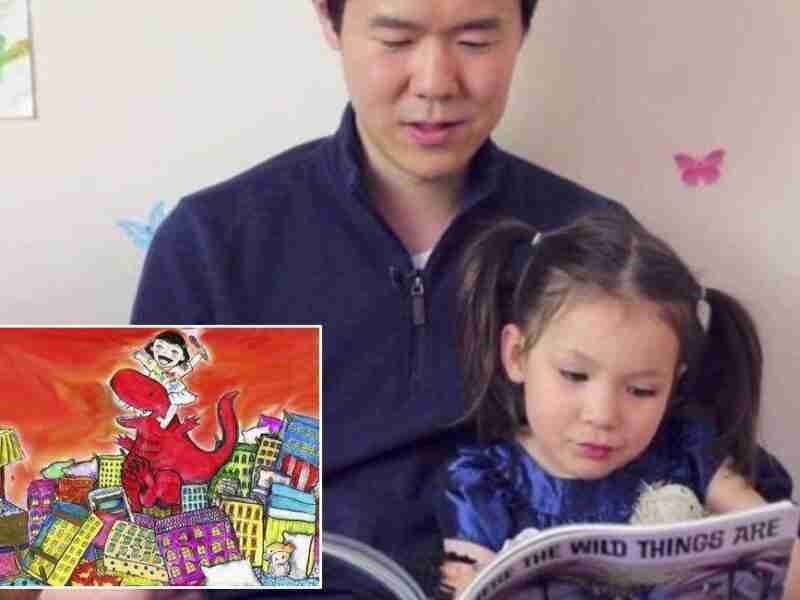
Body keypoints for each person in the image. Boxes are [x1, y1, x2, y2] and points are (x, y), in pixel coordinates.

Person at [129, 1, 792, 598]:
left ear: (522, 32)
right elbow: (132, 541)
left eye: (475, 41)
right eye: (396, 39)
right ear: (331, 21)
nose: (436, 83)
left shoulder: (593, 245)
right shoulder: (216, 242)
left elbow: (725, 488)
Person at [435, 209, 799, 597]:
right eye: (574, 375)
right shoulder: (482, 482)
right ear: (517, 355)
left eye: (641, 390)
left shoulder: (685, 450)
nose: (603, 415)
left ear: (673, 383)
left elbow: (781, 555)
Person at [132, 330, 209, 428]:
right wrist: (139, 356)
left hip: (171, 390)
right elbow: (146, 361)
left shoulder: (178, 370)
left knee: (173, 403)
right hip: (153, 389)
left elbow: (190, 364)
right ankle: (142, 412)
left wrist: (199, 355)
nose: (166, 353)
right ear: (152, 348)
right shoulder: (154, 366)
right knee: (143, 397)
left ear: (182, 357)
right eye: (160, 347)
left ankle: (166, 420)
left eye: (174, 351)